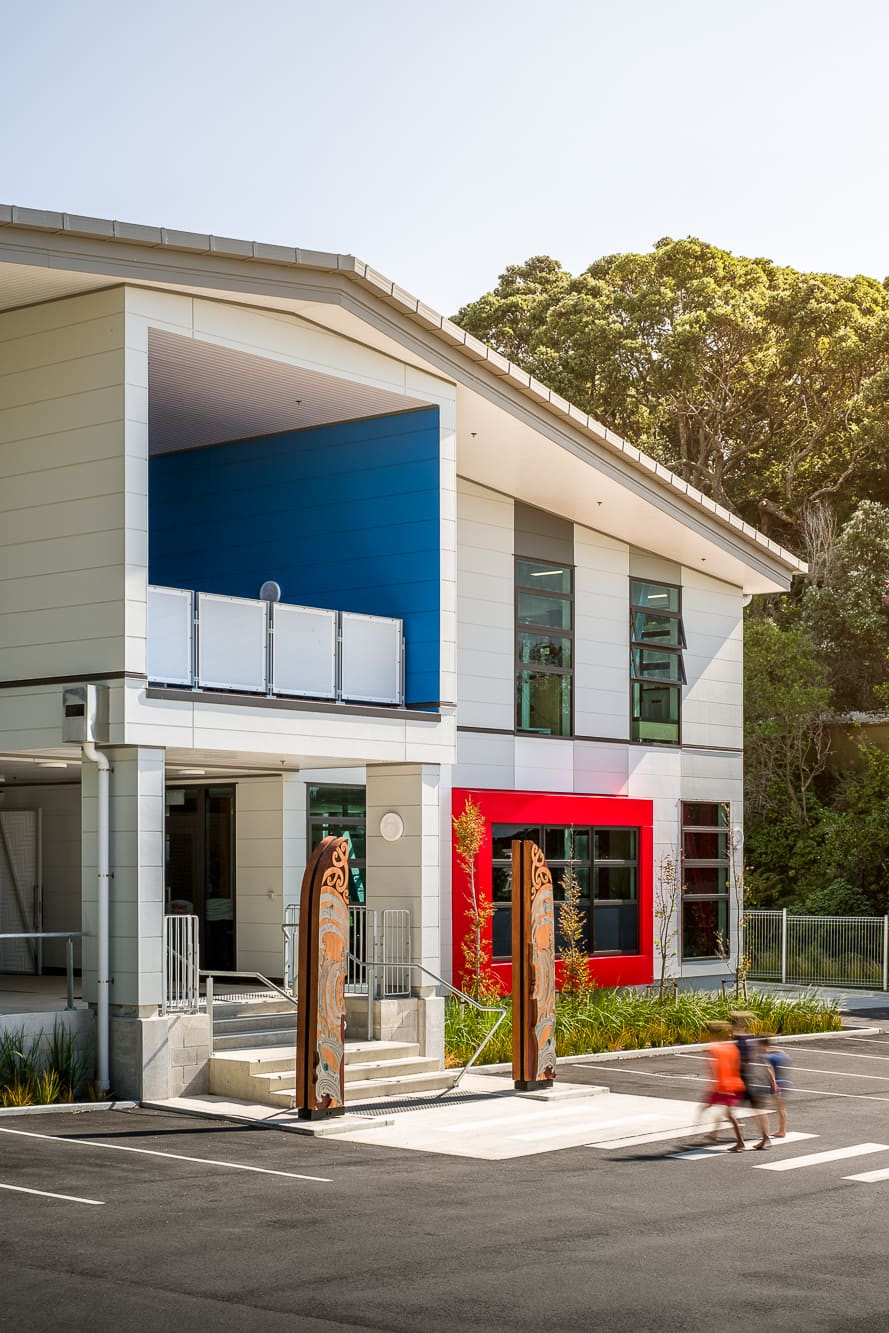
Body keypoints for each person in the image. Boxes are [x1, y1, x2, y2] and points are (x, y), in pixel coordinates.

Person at [702, 1021, 746, 1151]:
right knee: (727, 1113)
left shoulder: (714, 1048)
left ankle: (740, 1142)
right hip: (734, 1083)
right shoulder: (731, 1047)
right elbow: (736, 1066)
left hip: (725, 1086)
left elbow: (713, 1068)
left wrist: (715, 1084)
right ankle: (714, 1134)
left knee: (729, 1114)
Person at [731, 1012, 772, 1150]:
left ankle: (741, 1142)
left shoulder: (739, 1040)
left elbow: (737, 1060)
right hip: (751, 1077)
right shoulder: (750, 1038)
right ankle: (765, 1139)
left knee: (729, 1110)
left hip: (743, 1078)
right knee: (757, 1109)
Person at [761, 1034, 791, 1138]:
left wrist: (774, 1084)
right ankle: (782, 1130)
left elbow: (770, 1070)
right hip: (783, 1082)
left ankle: (780, 1131)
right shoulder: (780, 1054)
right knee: (781, 1108)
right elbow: (782, 1052)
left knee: (767, 1107)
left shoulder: (766, 1057)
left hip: (776, 1084)